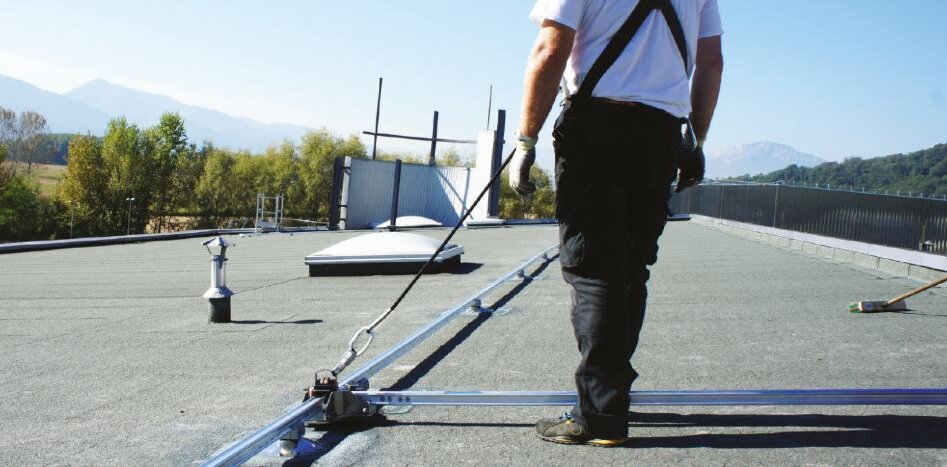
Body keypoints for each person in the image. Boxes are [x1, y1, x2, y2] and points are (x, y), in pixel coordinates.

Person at [510, 0, 724, 446]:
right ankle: (612, 397)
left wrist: (525, 141)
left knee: (593, 270)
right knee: (630, 269)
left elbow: (551, 50)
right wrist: (697, 139)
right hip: (660, 134)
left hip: (595, 126)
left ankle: (601, 414)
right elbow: (711, 61)